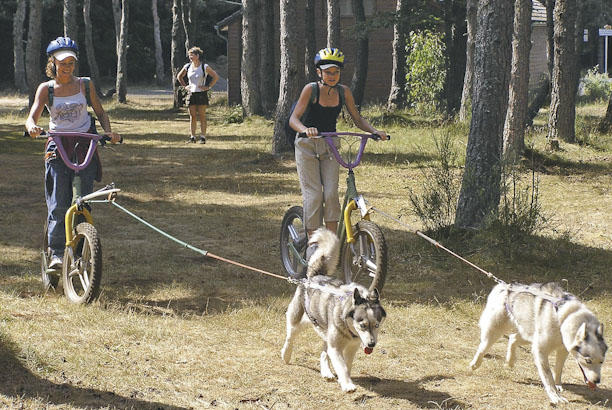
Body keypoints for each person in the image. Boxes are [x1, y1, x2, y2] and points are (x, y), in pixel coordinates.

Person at [25, 36, 121, 271]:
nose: (67, 67)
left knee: (83, 202)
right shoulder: (46, 89)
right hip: (57, 144)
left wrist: (108, 132)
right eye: (62, 62)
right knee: (59, 203)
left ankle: (81, 248)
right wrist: (32, 128)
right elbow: (32, 116)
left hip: (85, 143)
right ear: (53, 63)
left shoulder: (85, 85)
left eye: (71, 62)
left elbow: (100, 111)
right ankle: (56, 253)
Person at [289, 47, 388, 255]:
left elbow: (357, 118)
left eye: (336, 72)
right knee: (314, 194)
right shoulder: (311, 89)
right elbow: (293, 119)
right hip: (306, 144)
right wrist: (306, 130)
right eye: (328, 72)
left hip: (330, 144)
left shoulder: (344, 92)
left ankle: (331, 245)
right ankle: (313, 243)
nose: (332, 76)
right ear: (319, 73)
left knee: (332, 194)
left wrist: (374, 131)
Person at [177, 46, 219, 144]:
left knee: (202, 115)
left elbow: (215, 76)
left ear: (197, 56)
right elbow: (179, 76)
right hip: (191, 93)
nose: (190, 57)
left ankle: (203, 137)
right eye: (189, 56)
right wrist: (185, 86)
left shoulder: (204, 66)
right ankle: (192, 137)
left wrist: (208, 87)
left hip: (201, 93)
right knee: (192, 116)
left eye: (192, 56)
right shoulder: (187, 66)